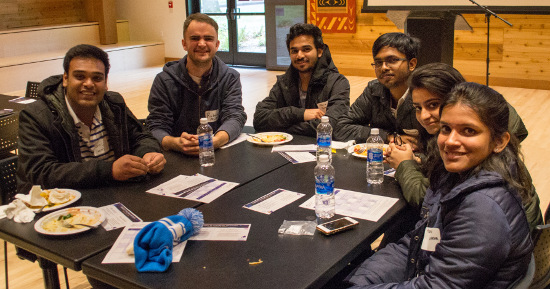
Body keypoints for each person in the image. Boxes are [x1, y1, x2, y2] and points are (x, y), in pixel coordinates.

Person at [347, 82, 534, 288]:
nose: (450, 141)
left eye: (469, 131)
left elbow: (437, 285)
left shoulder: (483, 209)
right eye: (446, 129)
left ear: (499, 142)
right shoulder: (456, 175)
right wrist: (359, 281)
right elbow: (416, 244)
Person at [385, 63, 542, 232]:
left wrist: (405, 165)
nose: (423, 116)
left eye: (433, 105)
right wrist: (419, 161)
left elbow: (429, 201)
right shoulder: (459, 139)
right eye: (418, 108)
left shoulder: (483, 155)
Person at [17, 44, 166, 192]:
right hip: (62, 206)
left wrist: (148, 153)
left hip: (112, 196)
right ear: (65, 79)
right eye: (80, 76)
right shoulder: (36, 116)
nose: (88, 84)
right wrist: (109, 170)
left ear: (106, 82)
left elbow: (142, 136)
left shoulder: (114, 103)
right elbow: (40, 173)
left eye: (97, 78)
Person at [147, 13, 246, 155]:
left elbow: (235, 116)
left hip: (216, 153)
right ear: (184, 44)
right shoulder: (164, 81)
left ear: (217, 44)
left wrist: (215, 141)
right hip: (177, 156)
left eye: (208, 38)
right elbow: (156, 125)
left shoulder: (230, 77)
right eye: (194, 38)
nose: (201, 44)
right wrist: (174, 143)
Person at [253, 23, 350, 136]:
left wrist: (282, 128)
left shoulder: (337, 83)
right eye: (294, 51)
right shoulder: (284, 83)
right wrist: (300, 114)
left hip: (323, 149)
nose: (299, 55)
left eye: (306, 49)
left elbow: (330, 126)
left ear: (319, 51)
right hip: (285, 148)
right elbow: (259, 119)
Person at [334, 32, 424, 147]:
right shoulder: (374, 89)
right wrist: (387, 137)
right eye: (378, 63)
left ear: (411, 64)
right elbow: (341, 127)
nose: (384, 67)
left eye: (392, 60)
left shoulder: (424, 93)